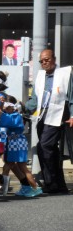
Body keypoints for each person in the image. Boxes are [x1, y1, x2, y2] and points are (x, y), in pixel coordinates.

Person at [25, 49, 73, 194]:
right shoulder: (40, 76)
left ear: (54, 59)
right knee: (50, 149)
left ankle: (51, 183)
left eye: (47, 59)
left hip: (58, 114)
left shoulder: (65, 74)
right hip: (42, 116)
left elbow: (72, 97)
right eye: (41, 61)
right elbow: (34, 99)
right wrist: (23, 108)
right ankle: (59, 185)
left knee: (44, 145)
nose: (44, 63)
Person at [0, 95, 42, 197]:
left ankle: (4, 188)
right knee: (20, 166)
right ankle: (32, 188)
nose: (5, 109)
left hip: (15, 142)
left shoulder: (14, 116)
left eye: (7, 107)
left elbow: (1, 116)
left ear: (12, 107)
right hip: (18, 142)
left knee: (10, 166)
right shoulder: (16, 115)